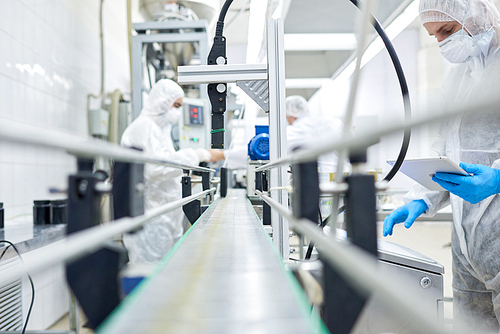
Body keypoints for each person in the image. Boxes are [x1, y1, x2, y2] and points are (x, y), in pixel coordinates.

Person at [383, 0, 500, 331]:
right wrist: (422, 197)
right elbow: (445, 147)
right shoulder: (459, 77)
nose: (442, 43)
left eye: (447, 31)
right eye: (433, 36)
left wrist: (499, 178)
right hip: (468, 246)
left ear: (478, 15)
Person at [121, 79, 214, 264]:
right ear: (162, 101)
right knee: (150, 277)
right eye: (176, 105)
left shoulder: (160, 131)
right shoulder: (144, 127)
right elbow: (155, 168)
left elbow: (167, 168)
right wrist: (195, 154)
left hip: (167, 216)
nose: (178, 112)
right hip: (151, 220)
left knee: (167, 274)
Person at [215, 95, 346, 173]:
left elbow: (263, 148)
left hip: (323, 184)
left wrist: (222, 154)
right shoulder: (332, 121)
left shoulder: (297, 130)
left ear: (290, 114)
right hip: (347, 178)